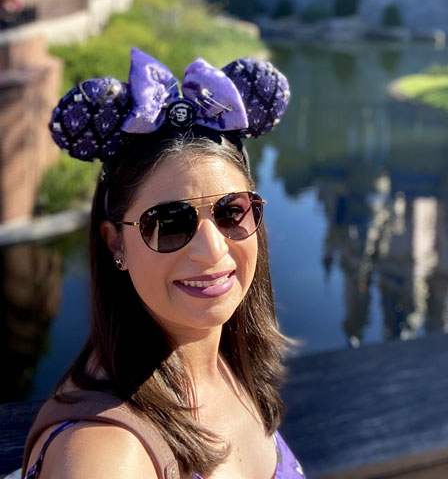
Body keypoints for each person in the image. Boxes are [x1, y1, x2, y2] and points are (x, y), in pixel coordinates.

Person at [22, 47, 303, 479]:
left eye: (232, 211)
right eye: (170, 222)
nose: (212, 250)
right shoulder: (107, 455)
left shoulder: (230, 361)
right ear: (115, 243)